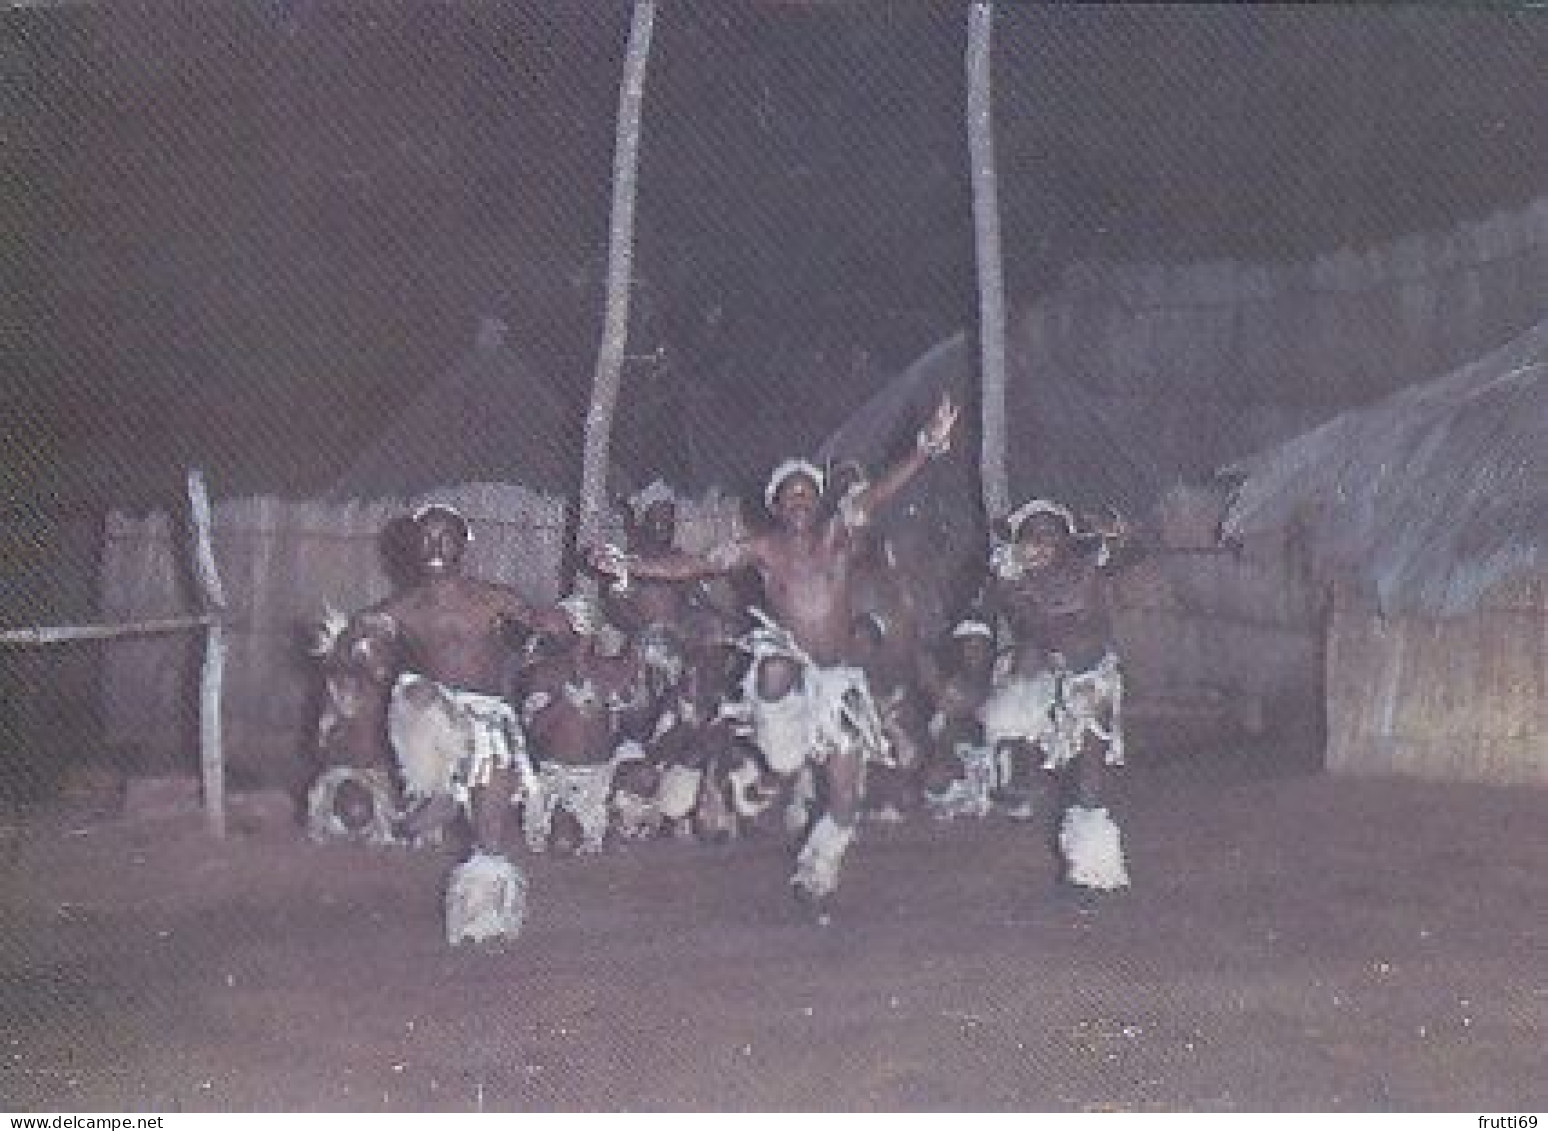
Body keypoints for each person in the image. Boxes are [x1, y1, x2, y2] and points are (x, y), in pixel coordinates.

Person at [591, 393, 959, 913]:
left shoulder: (838, 534)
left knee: (845, 801)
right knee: (776, 666)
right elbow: (694, 565)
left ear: (822, 501)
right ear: (774, 505)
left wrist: (925, 450)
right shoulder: (760, 548)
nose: (800, 501)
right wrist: (633, 566)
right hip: (786, 666)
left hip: (837, 684)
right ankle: (778, 743)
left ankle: (817, 871)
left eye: (808, 493)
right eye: (789, 495)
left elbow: (875, 495)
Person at [341, 502, 573, 946]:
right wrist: (358, 646)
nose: (434, 548)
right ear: (412, 546)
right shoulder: (399, 610)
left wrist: (557, 627)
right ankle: (431, 805)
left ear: (464, 545)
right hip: (433, 721)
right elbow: (355, 649)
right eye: (425, 538)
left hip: (490, 719)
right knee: (426, 712)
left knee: (490, 827)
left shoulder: (494, 600)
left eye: (445, 537)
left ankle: (484, 921)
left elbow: (554, 634)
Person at [979, 498, 1134, 894]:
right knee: (1022, 669)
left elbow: (1129, 552)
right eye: (1033, 534)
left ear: (1068, 540)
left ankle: (1092, 872)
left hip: (1091, 678)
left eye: (1052, 532)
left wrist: (1114, 529)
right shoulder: (1017, 582)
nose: (1044, 541)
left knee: (1088, 776)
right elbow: (1027, 626)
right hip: (1048, 680)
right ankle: (1022, 775)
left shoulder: (1092, 567)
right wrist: (1011, 577)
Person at [514, 592, 647, 854]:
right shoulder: (545, 674)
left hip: (599, 772)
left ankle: (613, 818)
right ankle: (565, 818)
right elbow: (534, 730)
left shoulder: (610, 671)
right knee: (562, 843)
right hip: (555, 772)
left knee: (643, 779)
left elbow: (634, 719)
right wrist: (565, 703)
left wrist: (612, 690)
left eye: (584, 631)